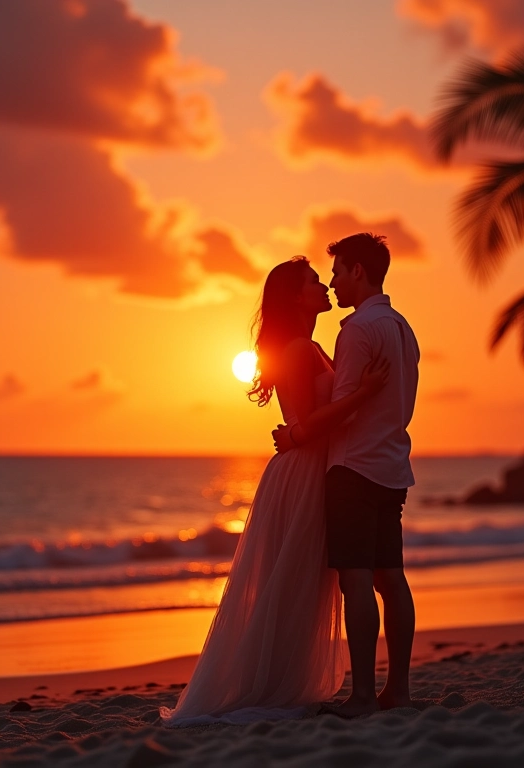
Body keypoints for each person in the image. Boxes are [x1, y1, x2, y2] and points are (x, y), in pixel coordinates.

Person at [160, 255, 389, 727]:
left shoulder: (309, 346)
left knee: (301, 582)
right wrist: (363, 395)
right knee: (289, 580)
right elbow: (306, 424)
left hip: (312, 466)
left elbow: (304, 424)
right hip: (303, 472)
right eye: (312, 282)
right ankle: (269, 682)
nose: (324, 285)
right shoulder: (297, 350)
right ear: (294, 297)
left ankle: (284, 677)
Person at [274, 233, 419, 718]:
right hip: (392, 464)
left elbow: (342, 410)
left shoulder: (357, 330)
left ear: (359, 271)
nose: (333, 281)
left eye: (336, 272)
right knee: (391, 578)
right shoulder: (402, 328)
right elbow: (404, 404)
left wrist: (295, 435)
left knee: (356, 581)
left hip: (354, 467)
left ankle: (362, 696)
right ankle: (397, 690)